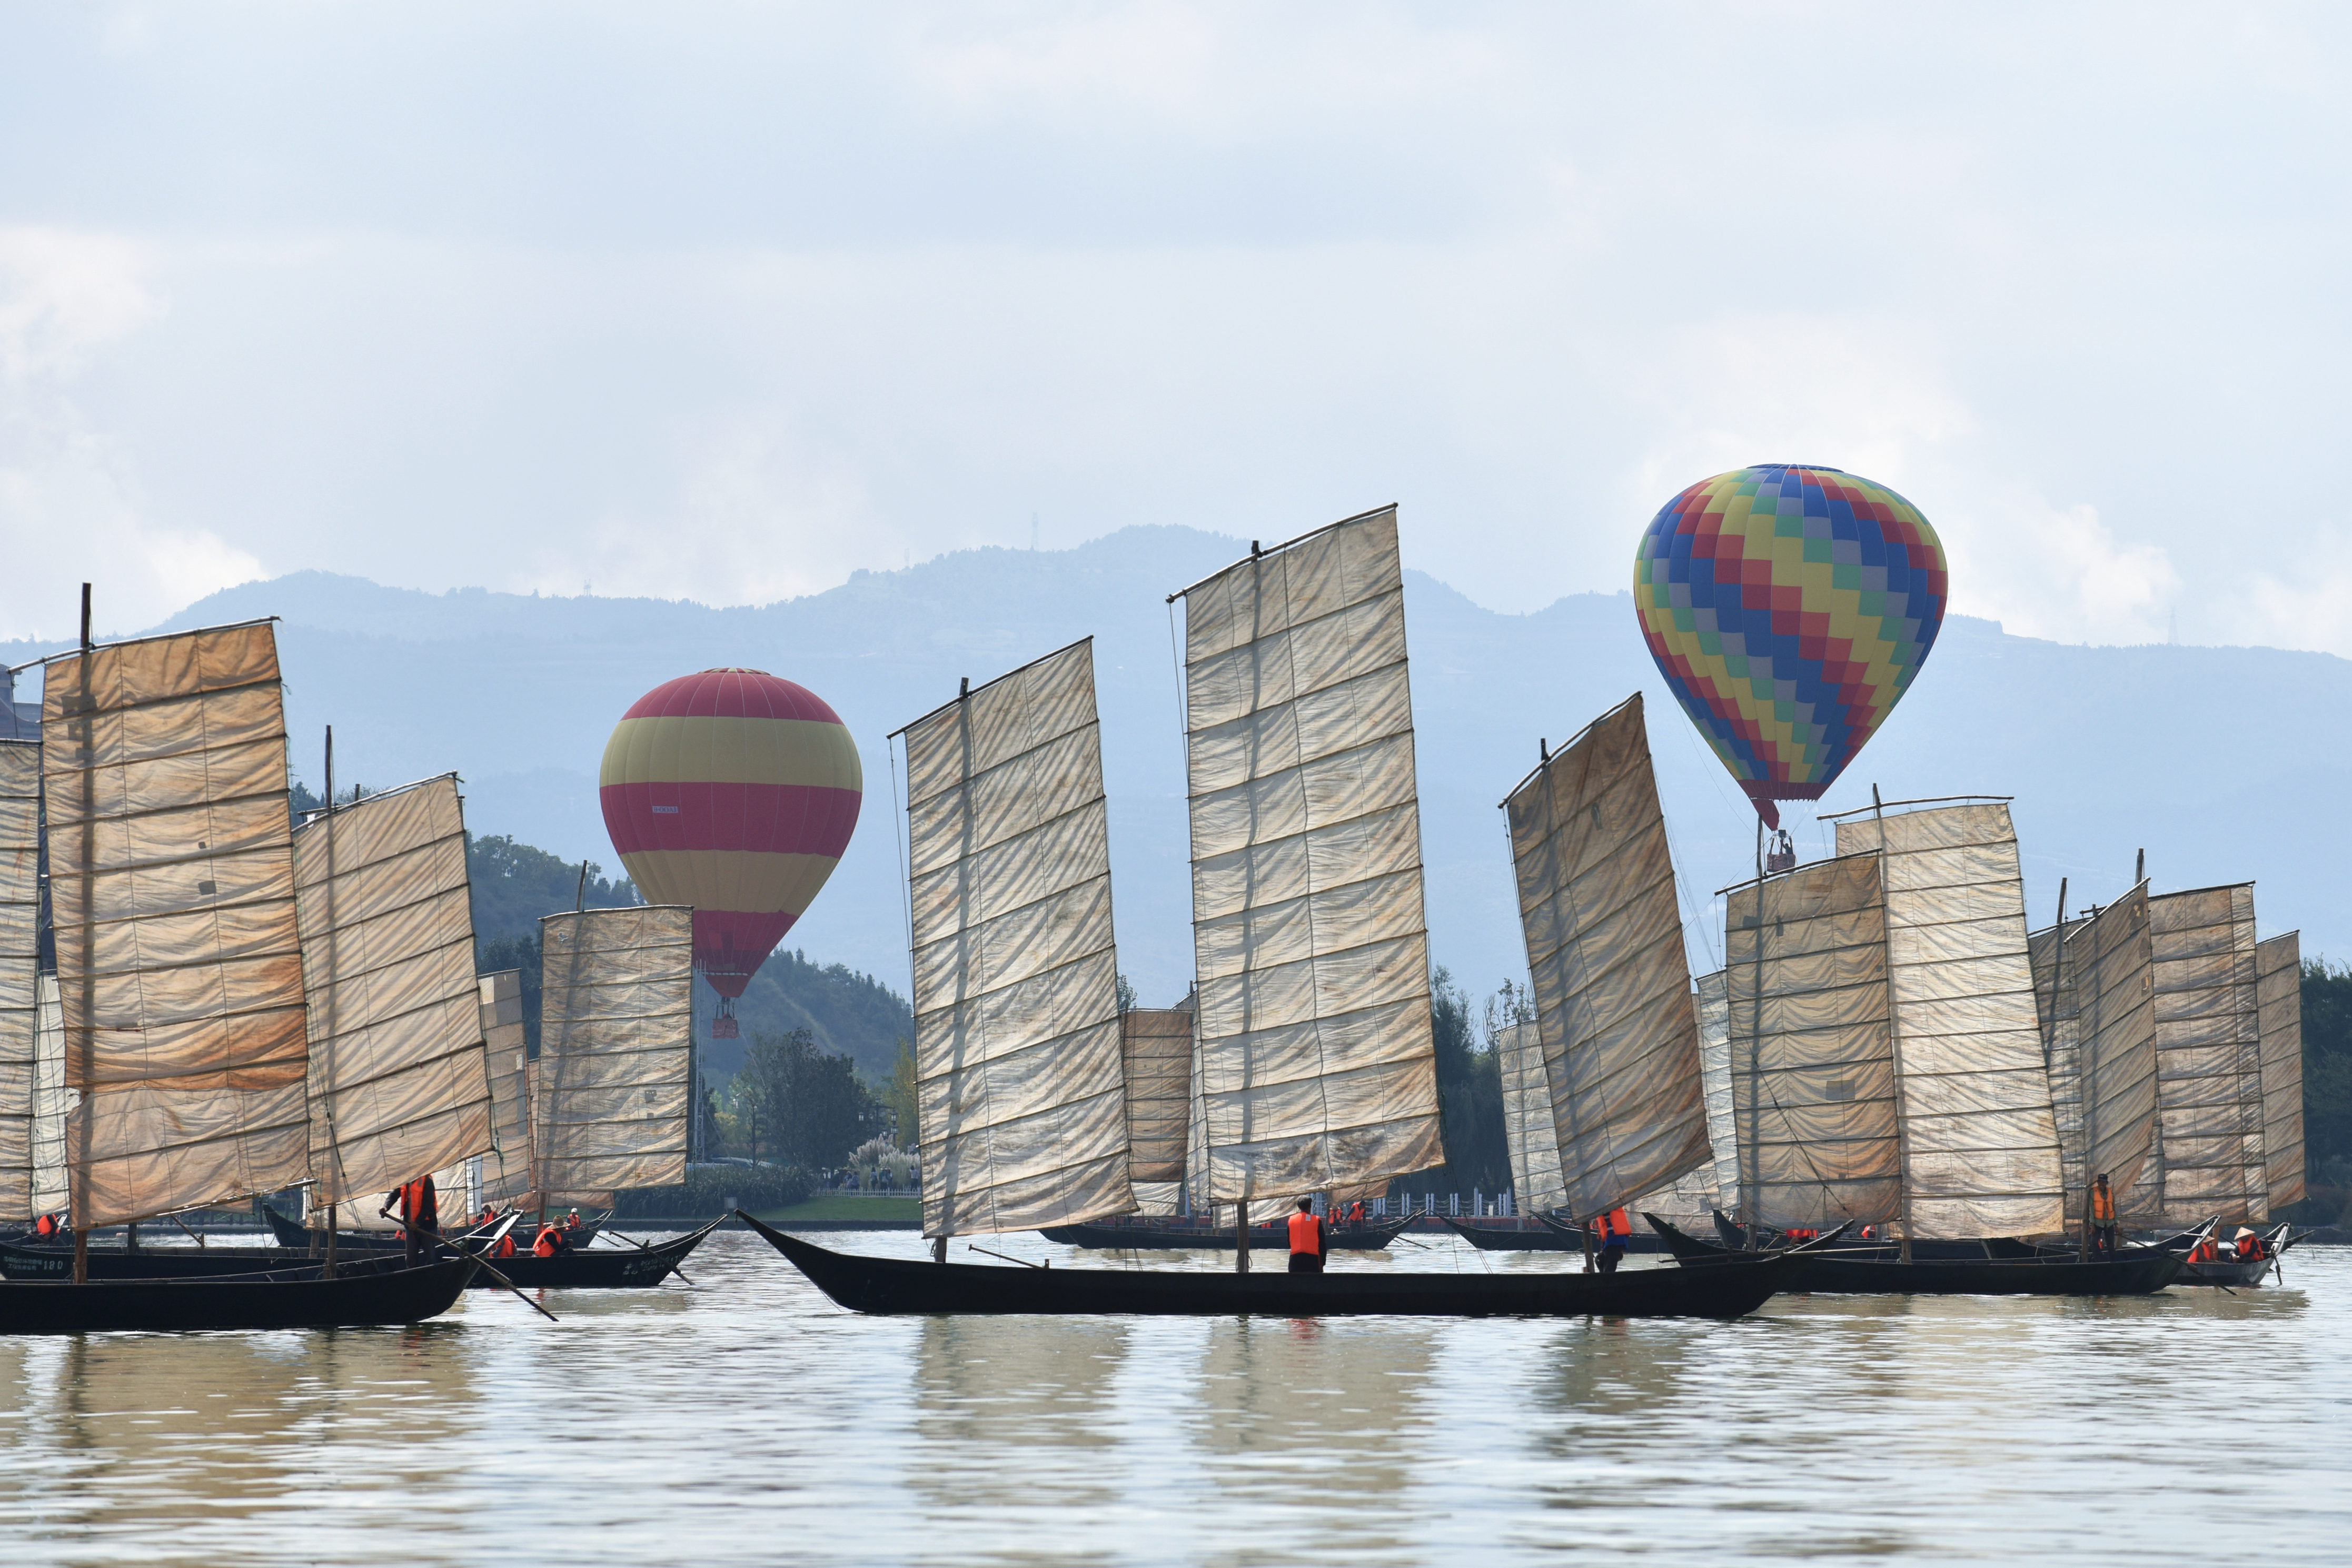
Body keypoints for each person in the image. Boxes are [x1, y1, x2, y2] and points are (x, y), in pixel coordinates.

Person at [381, 1174, 439, 1265]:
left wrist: (417, 1223)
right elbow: (394, 1195)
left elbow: (428, 1204)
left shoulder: (427, 1181)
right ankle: (413, 1275)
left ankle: (432, 1275)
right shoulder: (405, 1181)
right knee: (411, 1258)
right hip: (410, 1227)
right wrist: (385, 1207)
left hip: (427, 1226)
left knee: (430, 1257)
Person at [1287, 1196, 1326, 1275]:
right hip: (1312, 1260)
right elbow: (1322, 1244)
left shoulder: (1291, 1220)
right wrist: (1322, 1264)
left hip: (1295, 1260)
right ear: (1310, 1206)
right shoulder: (1316, 1220)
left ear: (1298, 1207)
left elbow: (1289, 1242)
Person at [2089, 1174, 2117, 1259]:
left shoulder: (2110, 1192)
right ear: (2098, 1182)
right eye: (2100, 1182)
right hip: (2098, 1223)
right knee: (2094, 1242)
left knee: (2111, 1246)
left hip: (2109, 1223)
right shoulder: (2093, 1192)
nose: (2102, 1184)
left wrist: (2116, 1224)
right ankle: (2099, 1261)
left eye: (2104, 1182)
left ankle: (2113, 1263)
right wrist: (2092, 1224)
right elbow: (2091, 1209)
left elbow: (2114, 1208)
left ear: (2106, 1183)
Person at [1596, 1207, 1631, 1274]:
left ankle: (1605, 1281)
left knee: (1609, 1269)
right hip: (1611, 1242)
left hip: (1615, 1241)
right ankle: (1603, 1279)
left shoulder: (1611, 1207)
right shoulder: (1609, 1208)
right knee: (1600, 1259)